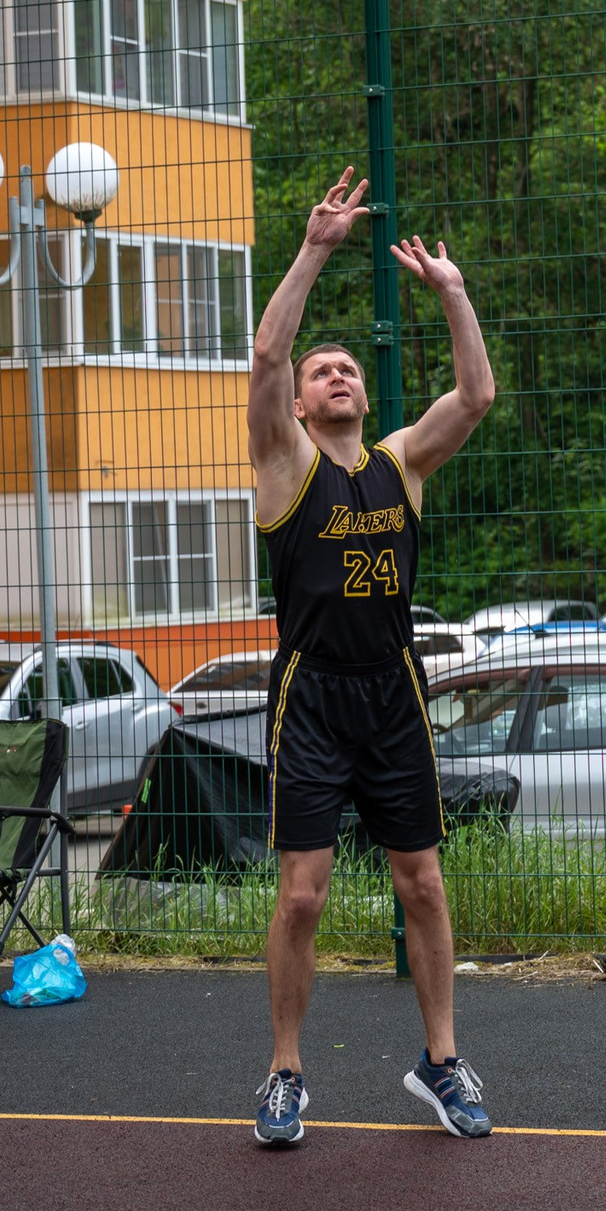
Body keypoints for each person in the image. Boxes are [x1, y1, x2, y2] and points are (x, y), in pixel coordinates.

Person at [246, 168, 497, 1147]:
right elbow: (267, 350)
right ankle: (284, 1072)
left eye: (348, 367)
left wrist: (452, 290)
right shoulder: (284, 464)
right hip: (310, 695)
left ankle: (441, 1061)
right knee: (303, 890)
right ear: (303, 405)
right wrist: (314, 248)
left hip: (391, 689)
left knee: (422, 883)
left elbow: (474, 394)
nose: (337, 374)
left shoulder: (400, 462)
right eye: (323, 372)